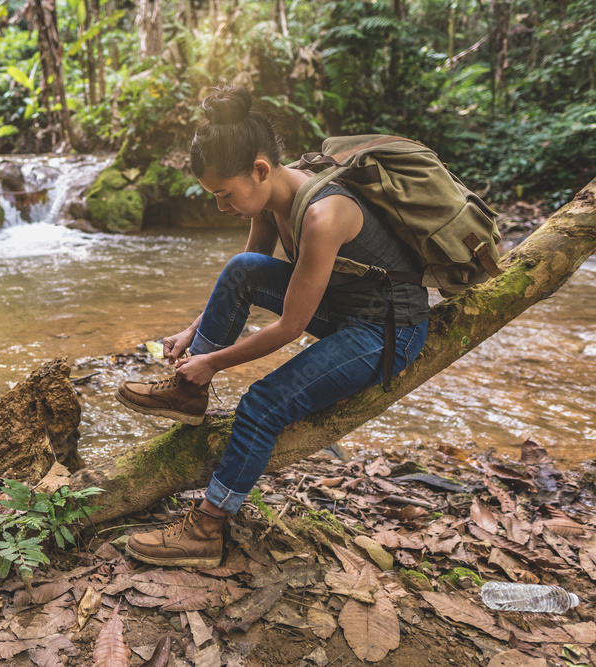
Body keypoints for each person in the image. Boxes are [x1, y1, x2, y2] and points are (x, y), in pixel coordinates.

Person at [115, 85, 430, 568]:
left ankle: (206, 530)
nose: (221, 206)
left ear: (259, 170)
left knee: (261, 405)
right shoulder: (269, 197)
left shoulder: (325, 214)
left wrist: (214, 359)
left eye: (224, 194)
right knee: (241, 265)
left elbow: (290, 325)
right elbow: (247, 272)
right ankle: (187, 392)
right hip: (343, 304)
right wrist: (192, 334)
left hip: (386, 329)